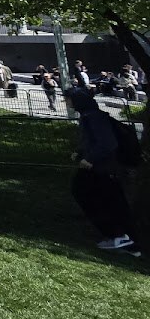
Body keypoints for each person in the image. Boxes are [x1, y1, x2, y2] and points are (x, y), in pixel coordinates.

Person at [68, 87, 140, 255]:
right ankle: (125, 239)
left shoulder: (94, 117)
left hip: (100, 168)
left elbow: (107, 143)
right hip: (100, 167)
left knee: (92, 196)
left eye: (69, 99)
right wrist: (80, 152)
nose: (67, 102)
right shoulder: (89, 116)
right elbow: (92, 140)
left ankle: (119, 236)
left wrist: (90, 159)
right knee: (110, 200)